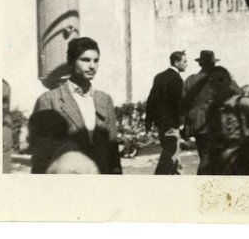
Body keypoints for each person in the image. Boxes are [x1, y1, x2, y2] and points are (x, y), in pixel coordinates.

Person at [28, 37, 122, 174]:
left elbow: (113, 151)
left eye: (96, 60)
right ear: (71, 62)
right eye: (85, 60)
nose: (92, 66)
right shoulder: (49, 100)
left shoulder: (105, 100)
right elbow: (40, 157)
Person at [181, 50, 239, 172]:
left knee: (205, 155)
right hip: (217, 122)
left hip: (197, 124)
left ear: (200, 63)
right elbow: (238, 93)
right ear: (213, 63)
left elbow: (183, 103)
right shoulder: (219, 78)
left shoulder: (190, 80)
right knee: (214, 159)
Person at [145, 50, 187, 175]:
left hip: (161, 126)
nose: (186, 64)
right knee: (169, 156)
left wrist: (148, 122)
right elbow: (178, 104)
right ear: (176, 62)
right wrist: (181, 124)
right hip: (172, 126)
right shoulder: (177, 79)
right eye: (184, 61)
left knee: (174, 156)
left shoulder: (159, 77)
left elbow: (151, 100)